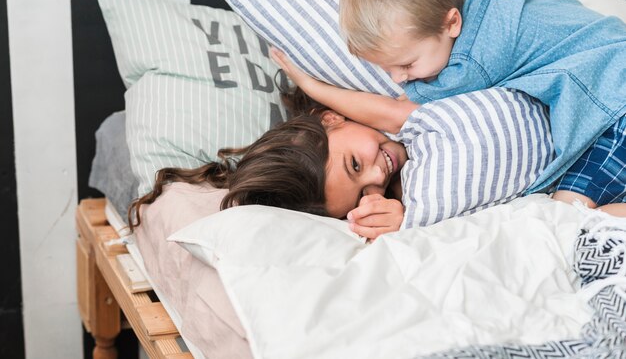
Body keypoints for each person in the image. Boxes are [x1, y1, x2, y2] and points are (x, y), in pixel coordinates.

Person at [284, 0, 626, 218]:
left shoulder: (468, 64)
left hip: (615, 105)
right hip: (616, 59)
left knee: (565, 215)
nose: (400, 79)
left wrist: (313, 86)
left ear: (452, 24)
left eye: (406, 64)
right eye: (388, 71)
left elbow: (398, 113)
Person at [130, 82, 553, 239]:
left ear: (330, 118)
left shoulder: (404, 88)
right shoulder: (416, 186)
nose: (378, 176)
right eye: (364, 194)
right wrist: (402, 216)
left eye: (354, 164)